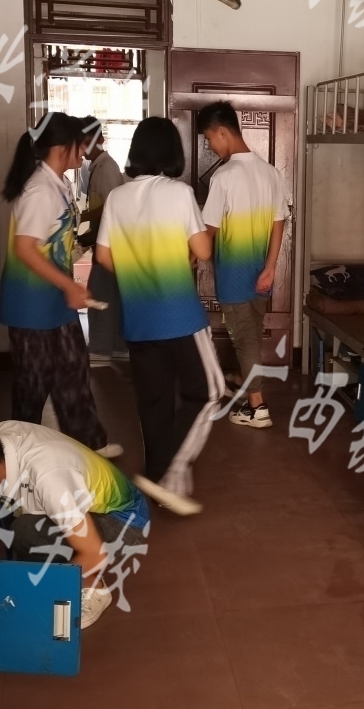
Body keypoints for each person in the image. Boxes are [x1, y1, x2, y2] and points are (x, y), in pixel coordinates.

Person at [95, 116, 222, 516]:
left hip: (138, 320)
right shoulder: (179, 193)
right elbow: (202, 251)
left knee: (154, 401)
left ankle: (156, 479)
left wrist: (138, 272)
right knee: (209, 391)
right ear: (172, 152)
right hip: (180, 317)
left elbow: (103, 257)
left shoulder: (117, 197)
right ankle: (171, 471)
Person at [0, 420, 150, 628]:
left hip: (121, 521)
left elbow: (95, 554)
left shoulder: (49, 479)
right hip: (75, 499)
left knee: (26, 531)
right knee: (14, 525)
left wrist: (27, 597)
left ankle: (94, 588)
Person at [0, 113, 117, 457]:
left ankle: (89, 443)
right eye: (81, 144)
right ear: (63, 146)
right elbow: (25, 248)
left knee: (73, 369)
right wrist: (69, 285)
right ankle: (19, 454)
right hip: (31, 303)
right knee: (32, 384)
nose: (85, 150)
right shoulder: (40, 189)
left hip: (54, 299)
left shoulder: (57, 183)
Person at [196, 100, 289, 428]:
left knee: (244, 338)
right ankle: (246, 382)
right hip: (262, 273)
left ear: (223, 132)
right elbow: (279, 223)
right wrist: (271, 267)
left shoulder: (224, 177)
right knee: (252, 336)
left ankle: (257, 407)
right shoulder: (271, 173)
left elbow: (207, 232)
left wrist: (186, 260)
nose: (210, 145)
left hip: (233, 275)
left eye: (210, 138)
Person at [75, 116, 128, 366]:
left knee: (102, 293)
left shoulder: (106, 168)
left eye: (88, 142)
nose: (84, 148)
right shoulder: (96, 167)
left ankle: (101, 347)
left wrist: (83, 218)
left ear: (100, 139)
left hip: (111, 242)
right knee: (106, 293)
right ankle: (114, 345)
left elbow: (109, 206)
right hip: (102, 239)